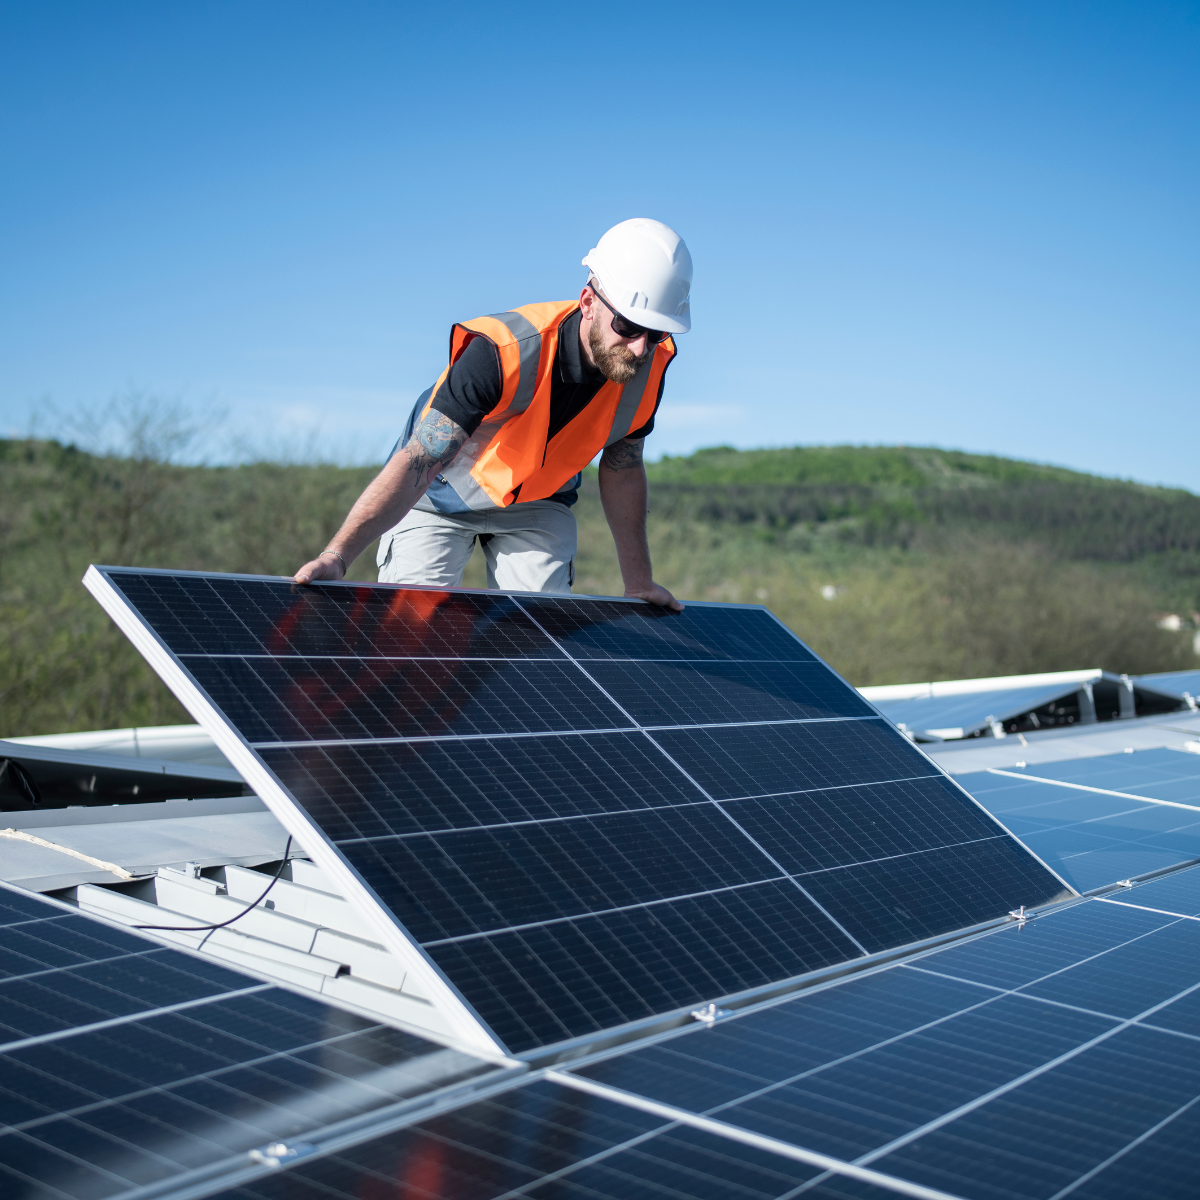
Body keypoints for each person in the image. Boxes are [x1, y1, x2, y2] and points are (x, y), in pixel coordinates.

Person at [293, 219, 691, 610]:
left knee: (539, 633)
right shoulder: (502, 353)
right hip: (437, 495)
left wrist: (639, 581)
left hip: (538, 501)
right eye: (627, 326)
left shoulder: (645, 371)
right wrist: (338, 555)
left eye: (656, 333)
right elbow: (420, 460)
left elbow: (623, 469)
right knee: (410, 629)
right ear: (588, 302)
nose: (640, 348)